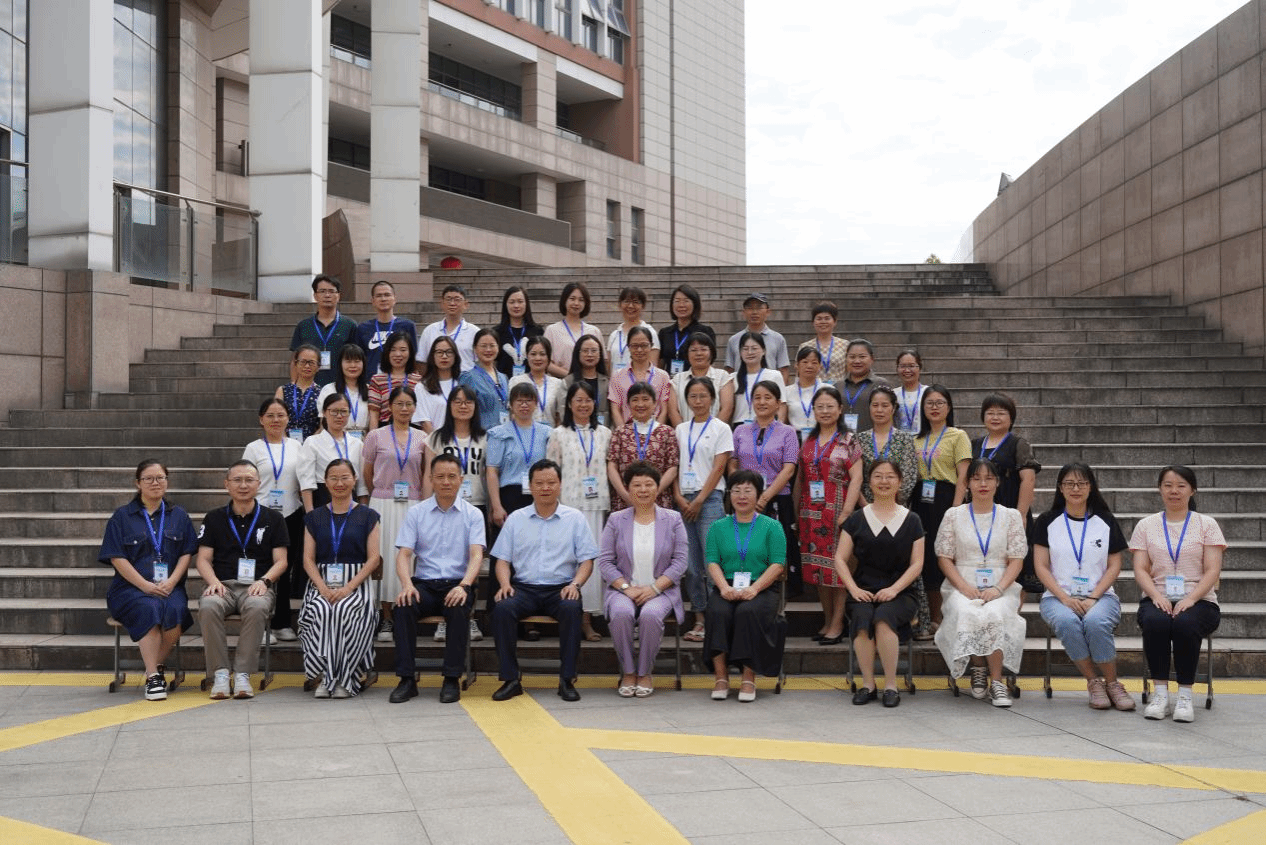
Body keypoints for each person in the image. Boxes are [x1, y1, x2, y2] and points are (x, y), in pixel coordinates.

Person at [489, 459, 600, 702]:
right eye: (539, 483)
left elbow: (587, 561)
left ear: (560, 485)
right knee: (502, 609)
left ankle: (567, 679)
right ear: (530, 486)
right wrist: (505, 584)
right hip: (524, 588)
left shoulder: (575, 518)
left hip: (561, 588)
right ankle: (510, 679)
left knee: (571, 609)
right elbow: (502, 560)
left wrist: (575, 585)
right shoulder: (516, 518)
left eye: (551, 482)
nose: (545, 488)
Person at [1034, 463, 1135, 711]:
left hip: (1101, 596)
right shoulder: (1047, 521)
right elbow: (1041, 566)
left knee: (1095, 622)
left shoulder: (1105, 521)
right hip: (1057, 597)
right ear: (1060, 488)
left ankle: (1113, 683)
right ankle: (1094, 682)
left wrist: (1093, 597)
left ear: (1091, 487)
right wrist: (1065, 599)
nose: (1075, 489)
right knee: (1067, 621)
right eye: (1069, 483)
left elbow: (1114, 565)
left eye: (1081, 483)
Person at [1130, 465, 1226, 723]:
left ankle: (1185, 695)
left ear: (1192, 490)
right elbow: (1140, 569)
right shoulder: (1146, 525)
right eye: (1168, 485)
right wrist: (1156, 596)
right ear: (1160, 489)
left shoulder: (1207, 524)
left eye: (1181, 485)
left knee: (1185, 623)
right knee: (1156, 621)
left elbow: (1213, 569)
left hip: (1200, 600)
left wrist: (1191, 599)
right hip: (1157, 596)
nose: (1174, 491)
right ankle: (1160, 695)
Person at [389, 453, 486, 705]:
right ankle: (406, 679)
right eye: (440, 477)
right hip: (425, 585)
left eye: (452, 476)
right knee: (404, 606)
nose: (446, 482)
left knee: (457, 608)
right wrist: (406, 585)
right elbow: (404, 555)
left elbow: (476, 555)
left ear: (461, 479)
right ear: (430, 479)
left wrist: (464, 586)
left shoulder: (473, 514)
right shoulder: (416, 513)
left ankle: (451, 678)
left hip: (458, 584)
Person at [98, 460, 197, 701]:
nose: (155, 483)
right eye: (148, 478)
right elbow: (116, 557)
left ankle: (154, 666)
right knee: (149, 607)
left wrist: (172, 582)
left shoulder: (178, 515)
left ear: (167, 481)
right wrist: (144, 585)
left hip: (168, 587)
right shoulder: (122, 517)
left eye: (160, 478)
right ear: (138, 483)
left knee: (176, 610)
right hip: (130, 589)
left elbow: (187, 553)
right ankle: (153, 676)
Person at [934, 458, 1028, 708]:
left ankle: (997, 681)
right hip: (961, 582)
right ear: (967, 484)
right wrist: (964, 587)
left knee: (995, 613)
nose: (983, 484)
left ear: (997, 483)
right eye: (976, 479)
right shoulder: (954, 515)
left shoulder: (1011, 516)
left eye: (988, 478)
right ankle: (978, 669)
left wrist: (998, 588)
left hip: (1001, 582)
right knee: (966, 611)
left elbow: (1017, 559)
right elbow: (944, 557)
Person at [194, 460, 289, 699]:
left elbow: (281, 561)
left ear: (259, 484)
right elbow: (203, 559)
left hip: (257, 587)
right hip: (222, 585)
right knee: (208, 606)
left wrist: (265, 581)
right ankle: (220, 673)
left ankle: (243, 674)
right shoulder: (214, 518)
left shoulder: (274, 519)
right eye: (237, 480)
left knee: (257, 607)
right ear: (226, 484)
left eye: (249, 480)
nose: (243, 485)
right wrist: (213, 582)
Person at [834, 460, 925, 707]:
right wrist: (853, 589)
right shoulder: (857, 519)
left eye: (890, 477)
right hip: (863, 589)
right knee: (862, 618)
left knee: (884, 618)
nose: (884, 481)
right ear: (869, 481)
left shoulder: (912, 519)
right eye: (878, 476)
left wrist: (894, 589)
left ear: (900, 482)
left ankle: (891, 686)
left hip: (901, 591)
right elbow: (840, 559)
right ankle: (868, 684)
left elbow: (917, 564)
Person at [598, 463, 689, 697]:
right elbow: (605, 562)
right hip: (623, 590)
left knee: (650, 615)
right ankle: (629, 671)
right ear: (628, 489)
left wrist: (655, 588)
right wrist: (625, 588)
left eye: (649, 484)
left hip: (662, 590)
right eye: (636, 485)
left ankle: (645, 672)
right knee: (621, 613)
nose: (643, 490)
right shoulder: (616, 520)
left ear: (658, 488)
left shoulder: (673, 519)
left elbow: (680, 562)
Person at [299, 459, 381, 698]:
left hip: (357, 584)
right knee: (322, 609)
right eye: (333, 478)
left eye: (345, 477)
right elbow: (307, 560)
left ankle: (345, 679)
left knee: (344, 610)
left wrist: (348, 588)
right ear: (325, 482)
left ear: (354, 480)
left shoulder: (368, 515)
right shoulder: (314, 517)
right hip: (321, 582)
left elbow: (374, 559)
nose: (339, 483)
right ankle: (328, 676)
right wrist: (323, 588)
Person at [705, 470, 787, 703]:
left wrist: (754, 589)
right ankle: (721, 677)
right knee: (718, 611)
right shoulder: (718, 527)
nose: (742, 496)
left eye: (748, 491)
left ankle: (748, 677)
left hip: (762, 586)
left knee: (747, 612)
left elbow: (777, 564)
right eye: (736, 491)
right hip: (727, 585)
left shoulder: (772, 526)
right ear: (729, 495)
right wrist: (723, 588)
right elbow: (712, 561)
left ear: (758, 495)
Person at [793, 385, 862, 645]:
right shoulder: (809, 441)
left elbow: (857, 478)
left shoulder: (848, 440)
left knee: (838, 568)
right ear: (813, 410)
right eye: (819, 406)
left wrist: (847, 512)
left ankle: (838, 623)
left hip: (838, 513)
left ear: (840, 409)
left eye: (830, 406)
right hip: (810, 514)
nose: (825, 411)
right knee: (818, 570)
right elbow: (801, 479)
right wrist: (797, 512)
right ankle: (827, 619)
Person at [547, 381, 613, 642]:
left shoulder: (605, 433)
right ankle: (569, 615)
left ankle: (587, 619)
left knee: (592, 562)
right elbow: (551, 473)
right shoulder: (558, 434)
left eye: (588, 400)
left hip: (596, 506)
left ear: (595, 404)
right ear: (569, 404)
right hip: (568, 507)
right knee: (570, 562)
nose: (583, 405)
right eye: (578, 400)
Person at [423, 384, 489, 644]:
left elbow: (489, 474)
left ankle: (468, 615)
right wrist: (427, 506)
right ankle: (443, 619)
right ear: (449, 406)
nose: (463, 406)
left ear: (475, 407)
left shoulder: (486, 437)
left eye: (468, 401)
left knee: (472, 562)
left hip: (476, 506)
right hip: (442, 506)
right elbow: (427, 475)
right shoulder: (437, 438)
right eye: (457, 401)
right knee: (445, 560)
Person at [362, 386, 427, 642]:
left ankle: (406, 613)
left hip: (413, 504)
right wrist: (379, 493)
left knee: (409, 560)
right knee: (385, 559)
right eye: (399, 403)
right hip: (383, 503)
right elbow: (367, 472)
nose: (404, 409)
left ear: (415, 407)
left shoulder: (422, 437)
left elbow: (425, 472)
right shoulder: (375, 436)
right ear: (389, 406)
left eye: (409, 404)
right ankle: (386, 617)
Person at [673, 376, 733, 643]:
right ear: (686, 400)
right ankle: (699, 618)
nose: (698, 401)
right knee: (691, 566)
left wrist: (699, 500)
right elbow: (674, 465)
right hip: (683, 501)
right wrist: (678, 496)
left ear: (713, 399)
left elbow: (719, 468)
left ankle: (716, 619)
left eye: (703, 396)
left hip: (709, 501)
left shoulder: (721, 428)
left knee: (712, 563)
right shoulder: (680, 429)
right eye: (693, 396)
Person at [243, 398, 305, 643]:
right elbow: (245, 481)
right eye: (270, 415)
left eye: (280, 415)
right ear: (261, 419)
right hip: (261, 515)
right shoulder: (253, 448)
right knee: (261, 568)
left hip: (291, 514)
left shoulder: (297, 446)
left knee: (285, 569)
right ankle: (260, 624)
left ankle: (282, 623)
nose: (276, 420)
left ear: (288, 419)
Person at [729, 380, 800, 593]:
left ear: (778, 403)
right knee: (746, 549)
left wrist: (764, 497)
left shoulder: (788, 432)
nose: (762, 402)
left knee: (775, 552)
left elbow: (789, 469)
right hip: (744, 501)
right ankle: (745, 590)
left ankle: (775, 598)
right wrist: (743, 492)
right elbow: (732, 463)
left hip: (777, 499)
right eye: (757, 397)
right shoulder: (740, 431)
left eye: (768, 397)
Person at [912, 384, 971, 634]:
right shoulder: (916, 439)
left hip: (946, 498)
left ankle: (946, 617)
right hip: (920, 500)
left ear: (949, 407)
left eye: (940, 403)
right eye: (929, 403)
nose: (934, 407)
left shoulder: (958, 436)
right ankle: (929, 617)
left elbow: (963, 476)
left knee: (945, 555)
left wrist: (955, 509)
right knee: (925, 558)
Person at [972, 392, 1042, 594]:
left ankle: (1013, 611)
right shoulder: (975, 444)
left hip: (1010, 507)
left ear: (1011, 418)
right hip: (981, 511)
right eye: (990, 413)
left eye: (1001, 413)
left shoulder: (1018, 444)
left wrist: (1021, 514)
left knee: (1015, 561)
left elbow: (1028, 480)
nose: (995, 417)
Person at [487, 382, 554, 527]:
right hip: (509, 496)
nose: (524, 405)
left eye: (528, 400)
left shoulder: (547, 433)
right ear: (511, 404)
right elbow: (492, 471)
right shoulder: (498, 433)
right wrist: (496, 506)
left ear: (536, 404)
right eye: (519, 401)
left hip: (539, 495)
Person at [607, 382, 679, 512]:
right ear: (628, 404)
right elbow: (612, 466)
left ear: (655, 403)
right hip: (625, 501)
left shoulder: (667, 432)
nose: (640, 404)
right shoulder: (620, 432)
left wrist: (653, 492)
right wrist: (626, 495)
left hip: (658, 500)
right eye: (635, 400)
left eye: (645, 399)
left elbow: (672, 468)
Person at [298, 393, 368, 513]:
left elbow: (362, 486)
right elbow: (306, 483)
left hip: (351, 503)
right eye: (334, 411)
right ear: (324, 413)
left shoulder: (357, 444)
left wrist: (363, 512)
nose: (339, 416)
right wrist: (310, 514)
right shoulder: (312, 442)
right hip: (322, 500)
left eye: (344, 411)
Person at [290, 274, 358, 388]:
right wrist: (295, 385)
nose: (327, 295)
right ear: (315, 296)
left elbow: (356, 359)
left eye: (331, 291)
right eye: (322, 291)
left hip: (341, 386)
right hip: (310, 387)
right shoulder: (304, 326)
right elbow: (294, 360)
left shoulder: (350, 325)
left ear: (338, 296)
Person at [857, 386, 917, 506]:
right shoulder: (859, 439)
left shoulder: (905, 439)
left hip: (897, 508)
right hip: (865, 508)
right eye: (875, 405)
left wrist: (892, 506)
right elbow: (854, 478)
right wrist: (866, 506)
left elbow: (909, 478)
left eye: (885, 405)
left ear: (893, 408)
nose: (879, 410)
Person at [608, 326, 673, 428]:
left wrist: (655, 432)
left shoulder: (663, 376)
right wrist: (624, 432)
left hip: (654, 430)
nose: (639, 350)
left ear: (651, 346)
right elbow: (615, 409)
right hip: (627, 430)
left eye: (644, 345)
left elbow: (664, 410)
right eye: (635, 346)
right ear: (628, 347)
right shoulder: (617, 376)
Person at [667, 331, 733, 426]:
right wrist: (683, 432)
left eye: (703, 349)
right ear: (687, 354)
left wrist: (714, 431)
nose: (698, 353)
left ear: (711, 352)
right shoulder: (677, 379)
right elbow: (673, 411)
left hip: (715, 432)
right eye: (693, 350)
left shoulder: (722, 376)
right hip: (685, 433)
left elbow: (727, 408)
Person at [356, 279, 417, 377]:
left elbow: (413, 357)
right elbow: (359, 358)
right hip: (370, 381)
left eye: (387, 295)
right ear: (372, 301)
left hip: (400, 381)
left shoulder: (407, 326)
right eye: (379, 296)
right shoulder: (363, 328)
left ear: (394, 299)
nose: (383, 299)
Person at [724, 292, 789, 381]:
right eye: (750, 308)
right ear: (744, 312)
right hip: (742, 387)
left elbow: (783, 370)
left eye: (759, 308)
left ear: (768, 312)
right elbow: (729, 370)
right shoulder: (734, 340)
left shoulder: (778, 339)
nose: (754, 312)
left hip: (769, 387)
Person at [544, 281, 603, 378]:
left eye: (581, 300)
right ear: (564, 300)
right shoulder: (552, 330)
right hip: (562, 382)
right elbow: (547, 363)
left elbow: (602, 362)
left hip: (589, 383)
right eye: (572, 299)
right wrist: (572, 377)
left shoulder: (594, 331)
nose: (576, 303)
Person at [458, 327, 511, 432]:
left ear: (498, 347)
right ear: (475, 349)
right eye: (483, 346)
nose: (488, 350)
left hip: (504, 434)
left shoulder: (503, 377)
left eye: (492, 345)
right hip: (481, 434)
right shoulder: (468, 377)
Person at [417, 284, 478, 374]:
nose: (452, 303)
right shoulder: (430, 331)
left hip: (465, 380)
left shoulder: (474, 332)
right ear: (442, 303)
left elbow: (479, 361)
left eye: (457, 299)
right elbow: (422, 361)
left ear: (466, 304)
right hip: (436, 380)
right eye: (448, 299)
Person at [657, 283, 715, 377]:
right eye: (677, 301)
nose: (681, 305)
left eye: (686, 301)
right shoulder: (665, 333)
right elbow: (660, 364)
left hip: (695, 381)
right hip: (671, 382)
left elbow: (709, 361)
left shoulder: (705, 332)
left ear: (695, 304)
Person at [728, 332, 786, 425]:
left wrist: (778, 427)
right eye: (745, 349)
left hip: (767, 424)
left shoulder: (774, 375)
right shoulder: (732, 378)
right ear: (740, 353)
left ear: (764, 351)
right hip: (739, 426)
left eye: (754, 348)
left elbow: (781, 405)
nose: (750, 352)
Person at [832, 339, 890, 433]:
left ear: (872, 359)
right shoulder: (838, 386)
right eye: (852, 357)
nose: (857, 361)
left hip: (872, 439)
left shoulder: (881, 384)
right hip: (842, 439)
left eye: (862, 357)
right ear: (846, 359)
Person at [554, 334, 611, 428]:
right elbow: (563, 411)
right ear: (578, 353)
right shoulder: (568, 382)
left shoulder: (607, 382)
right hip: (575, 431)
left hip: (602, 431)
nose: (590, 354)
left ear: (600, 354)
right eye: (585, 351)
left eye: (594, 351)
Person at [368, 330, 422, 430]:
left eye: (403, 350)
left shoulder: (418, 381)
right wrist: (373, 436)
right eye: (393, 350)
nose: (398, 354)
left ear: (410, 353)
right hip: (385, 429)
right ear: (387, 352)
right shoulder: (377, 380)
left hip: (412, 430)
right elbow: (374, 414)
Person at [316, 343, 371, 436]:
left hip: (365, 439)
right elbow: (323, 424)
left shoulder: (370, 390)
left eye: (357, 361)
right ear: (340, 364)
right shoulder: (329, 390)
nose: (353, 365)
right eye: (348, 361)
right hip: (336, 439)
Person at [509, 335, 565, 425]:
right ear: (527, 356)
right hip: (524, 431)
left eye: (542, 354)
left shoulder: (558, 384)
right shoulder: (516, 381)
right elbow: (512, 414)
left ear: (548, 357)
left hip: (550, 432)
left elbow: (559, 417)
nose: (538, 358)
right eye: (533, 354)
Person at [493, 285, 544, 379]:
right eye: (512, 302)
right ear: (506, 305)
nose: (516, 306)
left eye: (520, 301)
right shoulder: (497, 332)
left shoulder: (537, 331)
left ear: (526, 304)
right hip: (504, 384)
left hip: (531, 384)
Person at [414, 334, 462, 431]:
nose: (444, 356)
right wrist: (436, 440)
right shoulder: (422, 387)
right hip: (434, 438)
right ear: (433, 356)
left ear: (455, 356)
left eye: (449, 352)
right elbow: (425, 422)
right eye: (439, 352)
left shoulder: (463, 383)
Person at [606, 285, 661, 370]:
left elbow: (653, 367)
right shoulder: (614, 335)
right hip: (617, 378)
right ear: (620, 305)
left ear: (643, 306)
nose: (630, 306)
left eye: (635, 302)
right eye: (626, 301)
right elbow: (609, 367)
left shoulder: (650, 332)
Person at [275, 345, 322, 441]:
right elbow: (276, 419)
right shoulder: (283, 390)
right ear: (296, 364)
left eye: (311, 363)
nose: (307, 366)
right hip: (285, 443)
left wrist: (309, 444)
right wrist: (287, 443)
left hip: (313, 444)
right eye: (303, 362)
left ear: (318, 367)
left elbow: (323, 426)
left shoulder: (323, 393)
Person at [797, 301, 849, 383]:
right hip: (814, 389)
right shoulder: (804, 346)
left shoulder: (845, 345)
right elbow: (799, 374)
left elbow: (849, 372)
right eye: (819, 318)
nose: (823, 322)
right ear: (813, 322)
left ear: (835, 321)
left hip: (839, 389)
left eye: (827, 318)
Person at [786, 346, 829, 440]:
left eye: (814, 362)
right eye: (805, 362)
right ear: (796, 365)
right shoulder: (787, 391)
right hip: (794, 438)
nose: (809, 366)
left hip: (822, 437)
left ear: (820, 366)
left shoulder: (828, 390)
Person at [894, 349, 927, 436]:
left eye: (912, 366)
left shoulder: (928, 393)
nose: (907, 370)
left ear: (920, 368)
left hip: (925, 440)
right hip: (899, 441)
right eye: (903, 366)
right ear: (897, 369)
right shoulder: (893, 394)